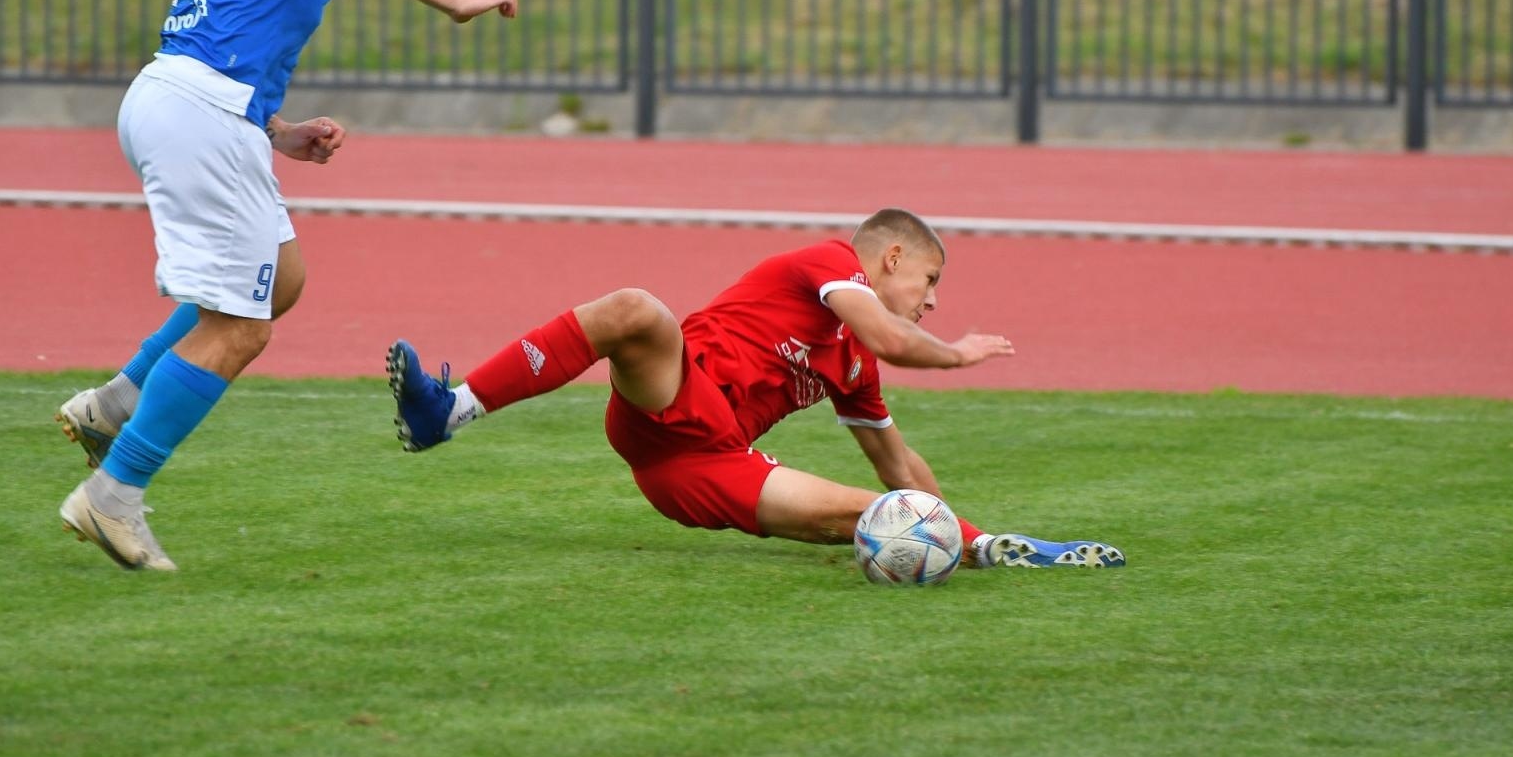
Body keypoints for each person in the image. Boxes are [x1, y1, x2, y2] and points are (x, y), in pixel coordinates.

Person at [57, 0, 518, 571]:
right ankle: (112, 495)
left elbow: (228, 15)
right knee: (241, 326)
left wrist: (277, 128)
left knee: (283, 277)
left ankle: (116, 403)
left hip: (184, 98)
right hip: (197, 112)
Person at [385, 209, 1125, 570]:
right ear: (890, 255)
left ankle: (997, 552)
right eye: (929, 281)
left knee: (889, 516)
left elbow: (899, 469)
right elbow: (897, 337)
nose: (932, 302)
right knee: (638, 310)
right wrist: (958, 355)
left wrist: (975, 538)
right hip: (675, 395)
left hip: (701, 468)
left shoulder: (854, 366)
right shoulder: (829, 262)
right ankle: (447, 410)